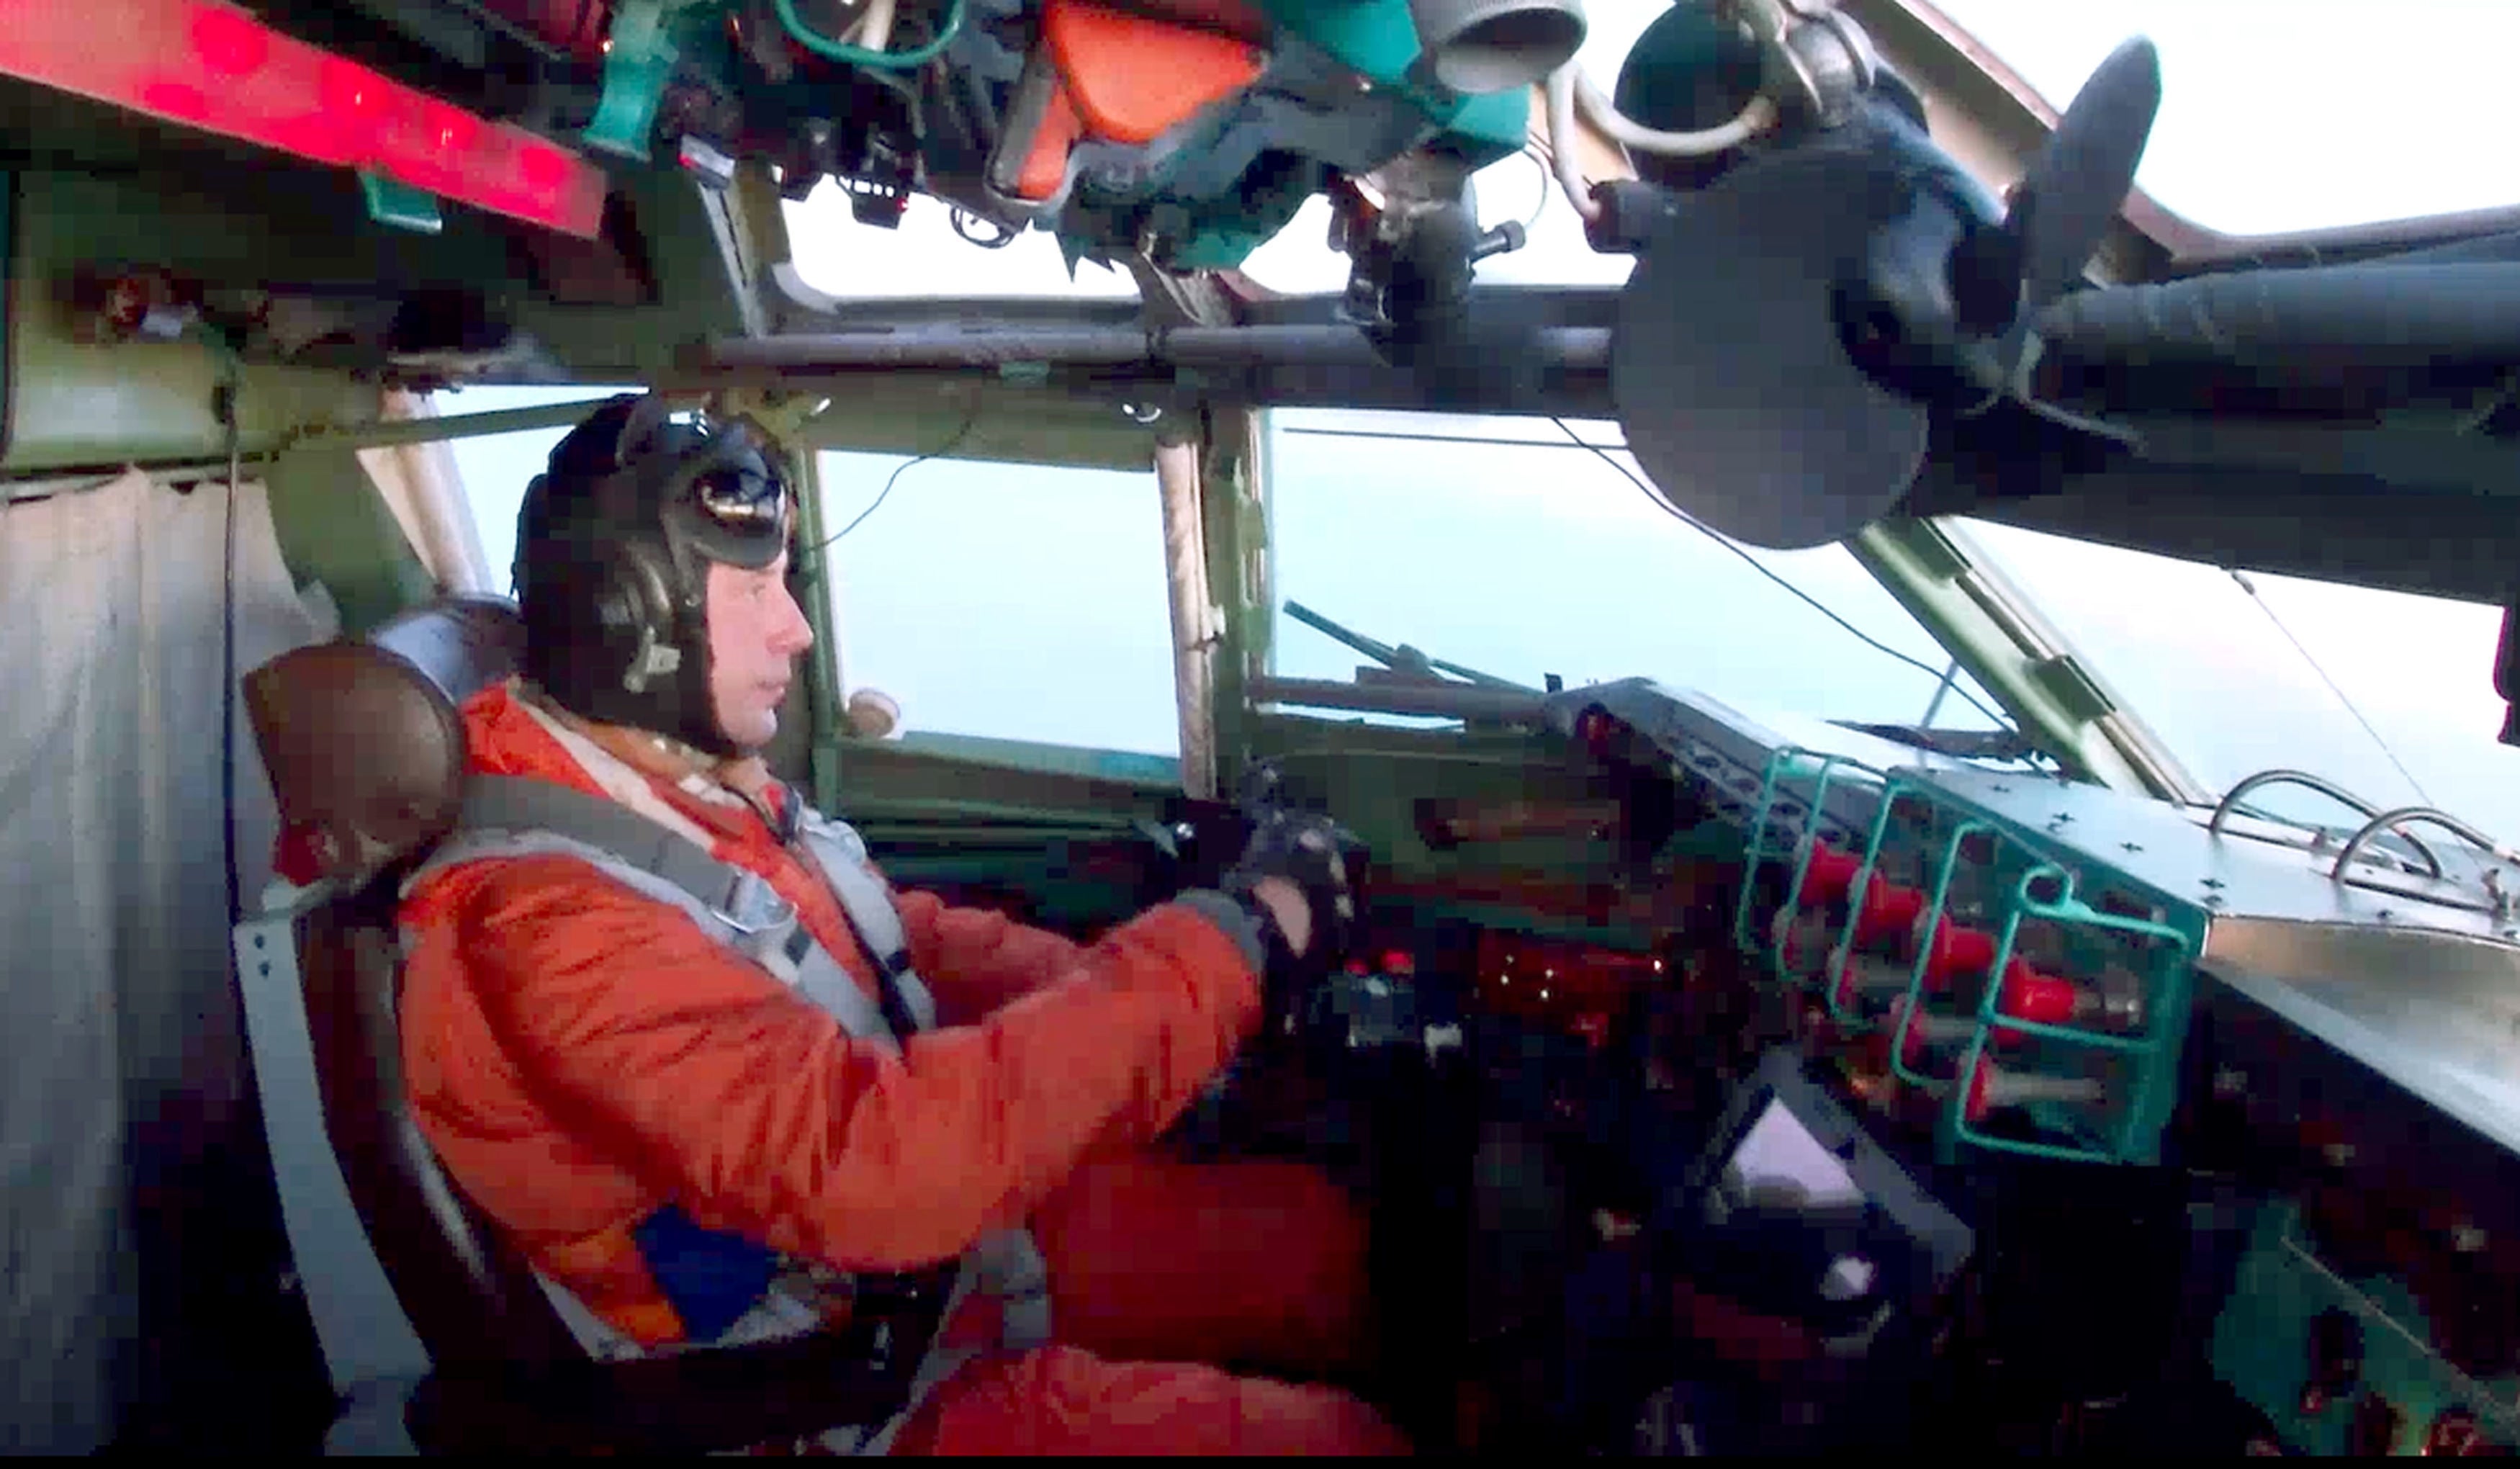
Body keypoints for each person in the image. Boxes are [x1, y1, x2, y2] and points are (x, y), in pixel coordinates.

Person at [393, 394, 1410, 1455]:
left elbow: (886, 937)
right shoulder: (545, 926)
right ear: (628, 619)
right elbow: (873, 1162)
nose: (793, 629)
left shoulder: (665, 788)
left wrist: (1169, 1028)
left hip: (925, 1270)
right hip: (825, 1386)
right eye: (755, 591)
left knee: (1319, 1254)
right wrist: (1231, 945)